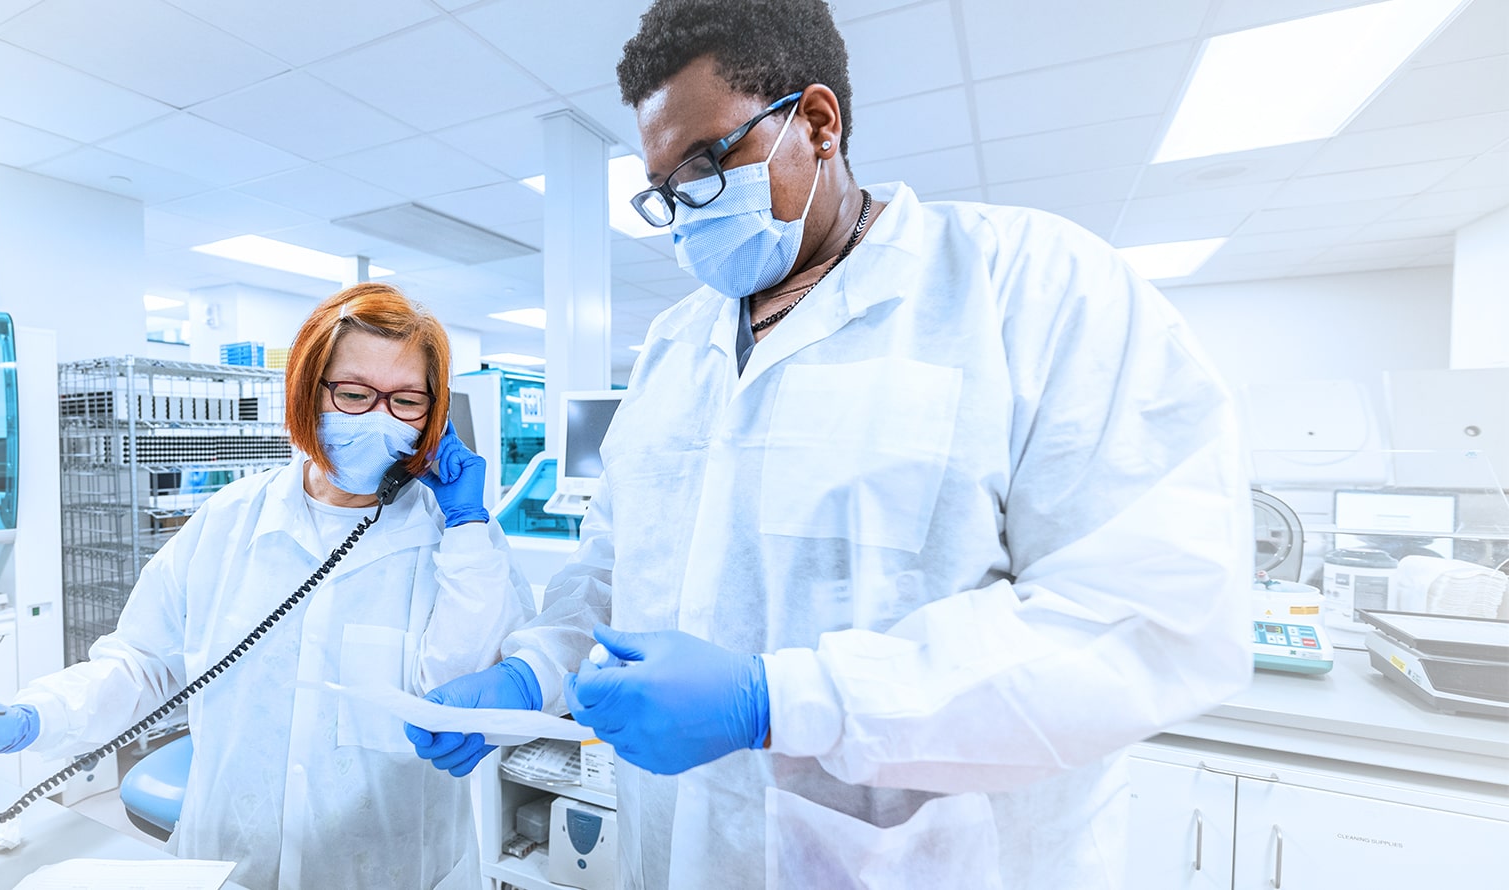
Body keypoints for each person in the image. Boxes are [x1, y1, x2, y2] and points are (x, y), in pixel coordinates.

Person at [408, 1, 1253, 887]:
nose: (685, 208)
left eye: (706, 164)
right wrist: (532, 675)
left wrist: (778, 701)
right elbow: (615, 576)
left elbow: (1146, 618)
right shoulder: (671, 349)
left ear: (816, 122)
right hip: (680, 854)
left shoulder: (1034, 289)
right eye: (663, 190)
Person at [0, 283, 535, 890]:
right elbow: (144, 663)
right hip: (228, 860)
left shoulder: (461, 544)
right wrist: (32, 717)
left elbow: (464, 697)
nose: (380, 418)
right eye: (355, 393)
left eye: (406, 399)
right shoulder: (231, 521)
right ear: (308, 392)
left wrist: (468, 527)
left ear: (434, 415)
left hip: (394, 867)